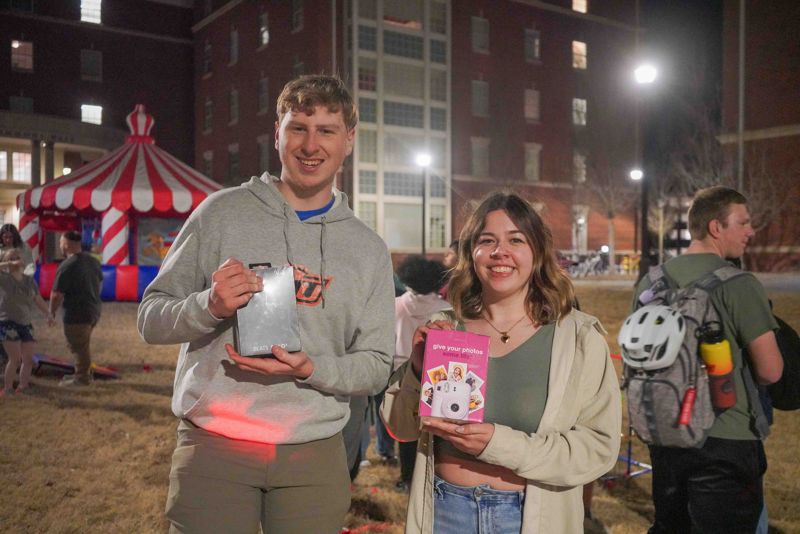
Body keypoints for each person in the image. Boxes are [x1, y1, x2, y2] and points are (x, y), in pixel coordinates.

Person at [137, 74, 395, 534]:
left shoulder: (367, 248)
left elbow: (376, 366)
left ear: (349, 140)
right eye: (298, 127)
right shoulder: (220, 213)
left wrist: (310, 369)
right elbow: (150, 319)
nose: (310, 144)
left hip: (312, 452)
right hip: (215, 444)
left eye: (326, 130)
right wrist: (209, 306)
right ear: (277, 131)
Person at [381, 192, 621, 533]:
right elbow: (399, 427)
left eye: (516, 240)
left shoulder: (577, 338)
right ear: (471, 253)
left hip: (530, 518)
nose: (499, 252)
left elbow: (598, 448)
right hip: (445, 513)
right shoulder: (447, 329)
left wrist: (500, 446)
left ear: (537, 252)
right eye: (487, 240)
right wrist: (418, 369)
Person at [633, 186, 783, 533]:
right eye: (743, 222)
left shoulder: (652, 282)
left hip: (665, 432)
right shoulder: (739, 284)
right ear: (716, 227)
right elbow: (771, 370)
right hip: (727, 437)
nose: (751, 231)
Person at [386, 255, 451, 491]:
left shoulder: (396, 305)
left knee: (406, 430)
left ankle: (406, 477)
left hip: (403, 370)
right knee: (436, 429)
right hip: (438, 375)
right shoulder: (446, 309)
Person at [49, 231, 103, 387]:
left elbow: (56, 294)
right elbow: (99, 284)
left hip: (76, 313)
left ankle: (81, 378)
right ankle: (82, 373)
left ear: (66, 244)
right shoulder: (93, 261)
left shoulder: (67, 265)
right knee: (83, 344)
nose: (60, 245)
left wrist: (51, 312)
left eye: (60, 242)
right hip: (93, 310)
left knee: (78, 346)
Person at [0, 249, 54, 396]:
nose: (16, 260)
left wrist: (48, 313)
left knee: (28, 359)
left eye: (18, 257)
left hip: (25, 323)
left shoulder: (29, 280)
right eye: (11, 258)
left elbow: (37, 299)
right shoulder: (3, 278)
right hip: (8, 322)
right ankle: (8, 388)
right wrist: (9, 263)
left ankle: (23, 386)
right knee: (14, 359)